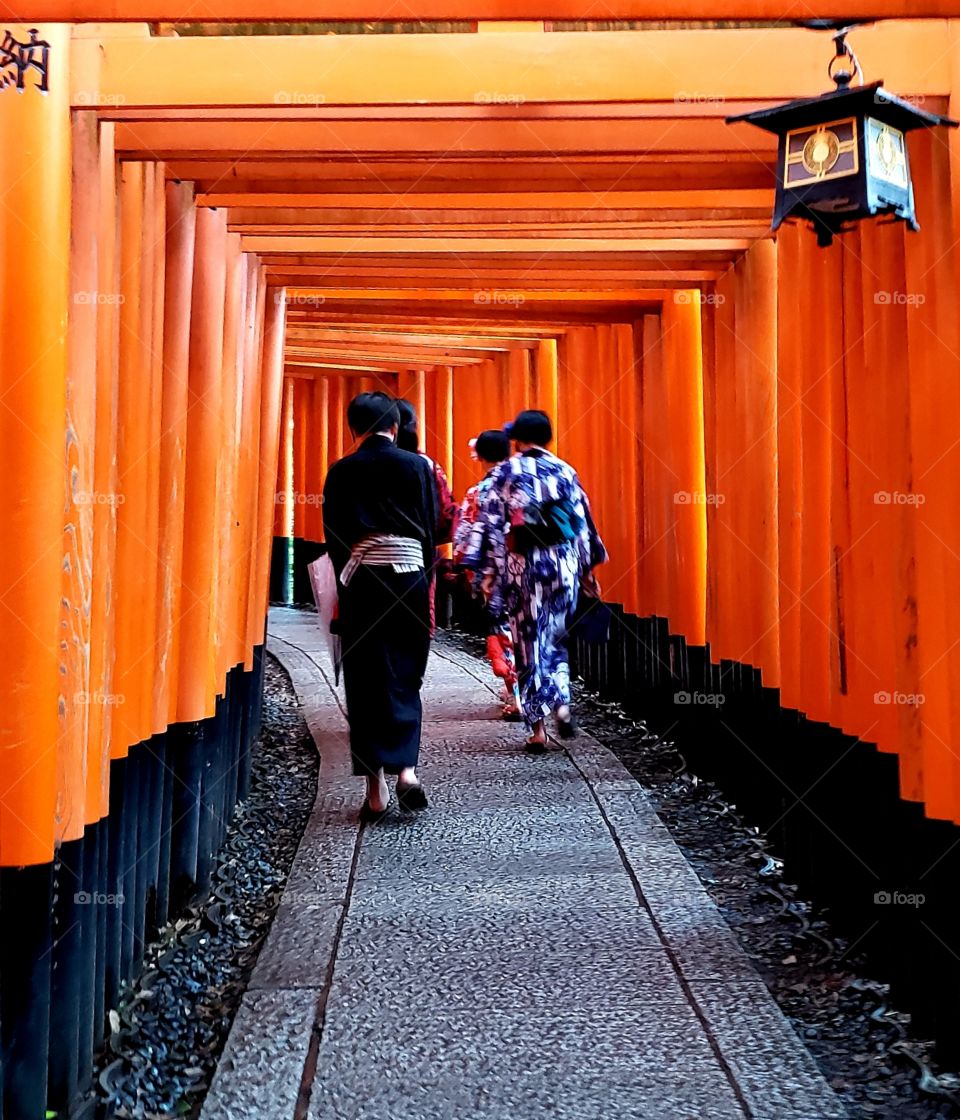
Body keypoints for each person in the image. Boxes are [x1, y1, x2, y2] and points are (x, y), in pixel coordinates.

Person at [459, 409, 606, 752]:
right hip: (561, 566)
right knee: (554, 639)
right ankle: (564, 704)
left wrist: (488, 574)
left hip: (521, 567)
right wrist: (586, 571)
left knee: (527, 645)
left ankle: (537, 729)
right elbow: (582, 526)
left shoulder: (507, 472)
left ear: (519, 440)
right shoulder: (566, 471)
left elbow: (492, 525)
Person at [321, 391, 438, 818]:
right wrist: (422, 573)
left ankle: (376, 790)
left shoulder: (342, 471)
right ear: (394, 425)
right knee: (406, 673)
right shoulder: (416, 466)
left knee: (366, 678)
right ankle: (407, 770)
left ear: (355, 427)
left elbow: (333, 536)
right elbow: (429, 527)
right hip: (408, 577)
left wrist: (348, 574)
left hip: (363, 580)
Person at [453, 430, 522, 720]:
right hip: (529, 566)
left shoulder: (478, 493)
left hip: (494, 571)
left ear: (479, 456)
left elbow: (465, 535)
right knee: (528, 630)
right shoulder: (522, 483)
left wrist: (463, 565)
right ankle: (536, 697)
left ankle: (516, 694)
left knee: (503, 629)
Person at [395, 397, 458, 631]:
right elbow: (446, 512)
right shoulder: (426, 464)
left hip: (367, 556)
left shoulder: (359, 463)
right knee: (416, 618)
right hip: (418, 552)